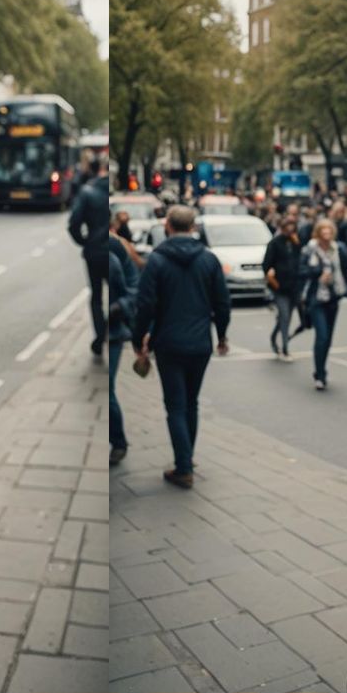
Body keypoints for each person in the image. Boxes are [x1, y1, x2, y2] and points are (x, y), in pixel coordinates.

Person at [130, 204, 230, 490]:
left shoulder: (157, 261)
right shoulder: (209, 260)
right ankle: (187, 456)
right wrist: (221, 335)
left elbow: (145, 305)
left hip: (168, 343)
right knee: (191, 402)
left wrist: (139, 340)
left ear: (168, 227)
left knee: (175, 404)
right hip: (200, 343)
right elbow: (222, 304)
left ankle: (183, 466)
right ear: (193, 228)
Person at [299, 218, 347, 392]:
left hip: (333, 297)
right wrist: (319, 273)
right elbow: (301, 271)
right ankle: (319, 374)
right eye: (323, 231)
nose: (326, 234)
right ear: (318, 233)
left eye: (329, 230)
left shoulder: (339, 249)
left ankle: (321, 370)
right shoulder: (309, 250)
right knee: (322, 336)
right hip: (316, 299)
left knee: (328, 339)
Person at [68, 155, 111, 359]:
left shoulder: (88, 192)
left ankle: (99, 336)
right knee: (118, 292)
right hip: (115, 251)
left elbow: (73, 224)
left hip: (94, 251)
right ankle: (114, 329)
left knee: (95, 296)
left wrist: (85, 241)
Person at [106, 224, 140, 466]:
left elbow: (134, 289)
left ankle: (118, 441)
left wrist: (119, 308)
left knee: (107, 391)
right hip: (102, 331)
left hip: (115, 331)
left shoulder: (117, 248)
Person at [261, 215, 302, 360]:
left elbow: (301, 262)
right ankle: (285, 348)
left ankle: (274, 337)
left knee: (287, 317)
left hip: (293, 286)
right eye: (287, 227)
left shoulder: (297, 243)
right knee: (284, 315)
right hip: (279, 287)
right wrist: (271, 277)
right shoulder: (274, 243)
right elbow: (266, 265)